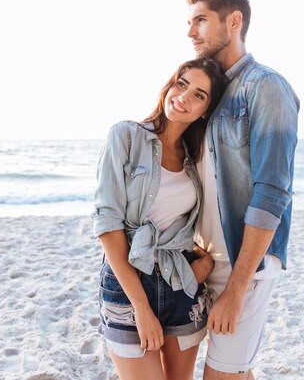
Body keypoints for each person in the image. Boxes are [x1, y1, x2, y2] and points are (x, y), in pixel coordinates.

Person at [186, 0, 300, 379]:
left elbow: (273, 192)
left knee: (220, 374)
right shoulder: (210, 93)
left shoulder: (266, 87)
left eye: (200, 20)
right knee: (233, 371)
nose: (190, 32)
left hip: (244, 261)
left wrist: (236, 288)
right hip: (206, 258)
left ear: (233, 21)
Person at [92, 57, 226, 380]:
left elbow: (196, 222)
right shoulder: (125, 136)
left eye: (198, 95)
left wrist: (205, 264)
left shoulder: (196, 160)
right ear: (169, 85)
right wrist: (141, 305)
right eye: (182, 84)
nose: (183, 97)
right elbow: (108, 227)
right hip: (127, 287)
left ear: (205, 110)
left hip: (181, 285)